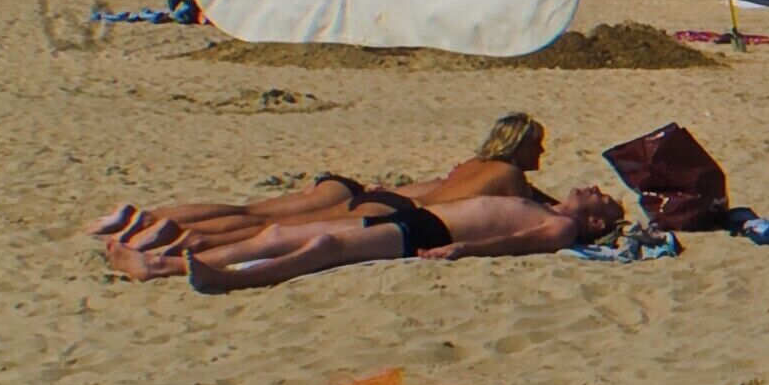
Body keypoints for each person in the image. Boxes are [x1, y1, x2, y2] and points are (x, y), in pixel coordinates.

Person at [93, 115, 554, 279]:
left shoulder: (472, 165)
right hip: (396, 213)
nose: (542, 150)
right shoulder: (512, 178)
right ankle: (179, 245)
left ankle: (146, 223)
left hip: (381, 197)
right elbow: (539, 213)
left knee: (252, 216)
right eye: (537, 143)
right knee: (268, 234)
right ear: (518, 145)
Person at [183, 184, 623, 292]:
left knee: (324, 249)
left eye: (601, 199)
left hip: (432, 232)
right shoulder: (545, 203)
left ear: (596, 225)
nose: (593, 189)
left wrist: (465, 248)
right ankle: (166, 265)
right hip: (419, 218)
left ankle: (231, 280)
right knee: (280, 232)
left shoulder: (562, 227)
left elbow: (519, 242)